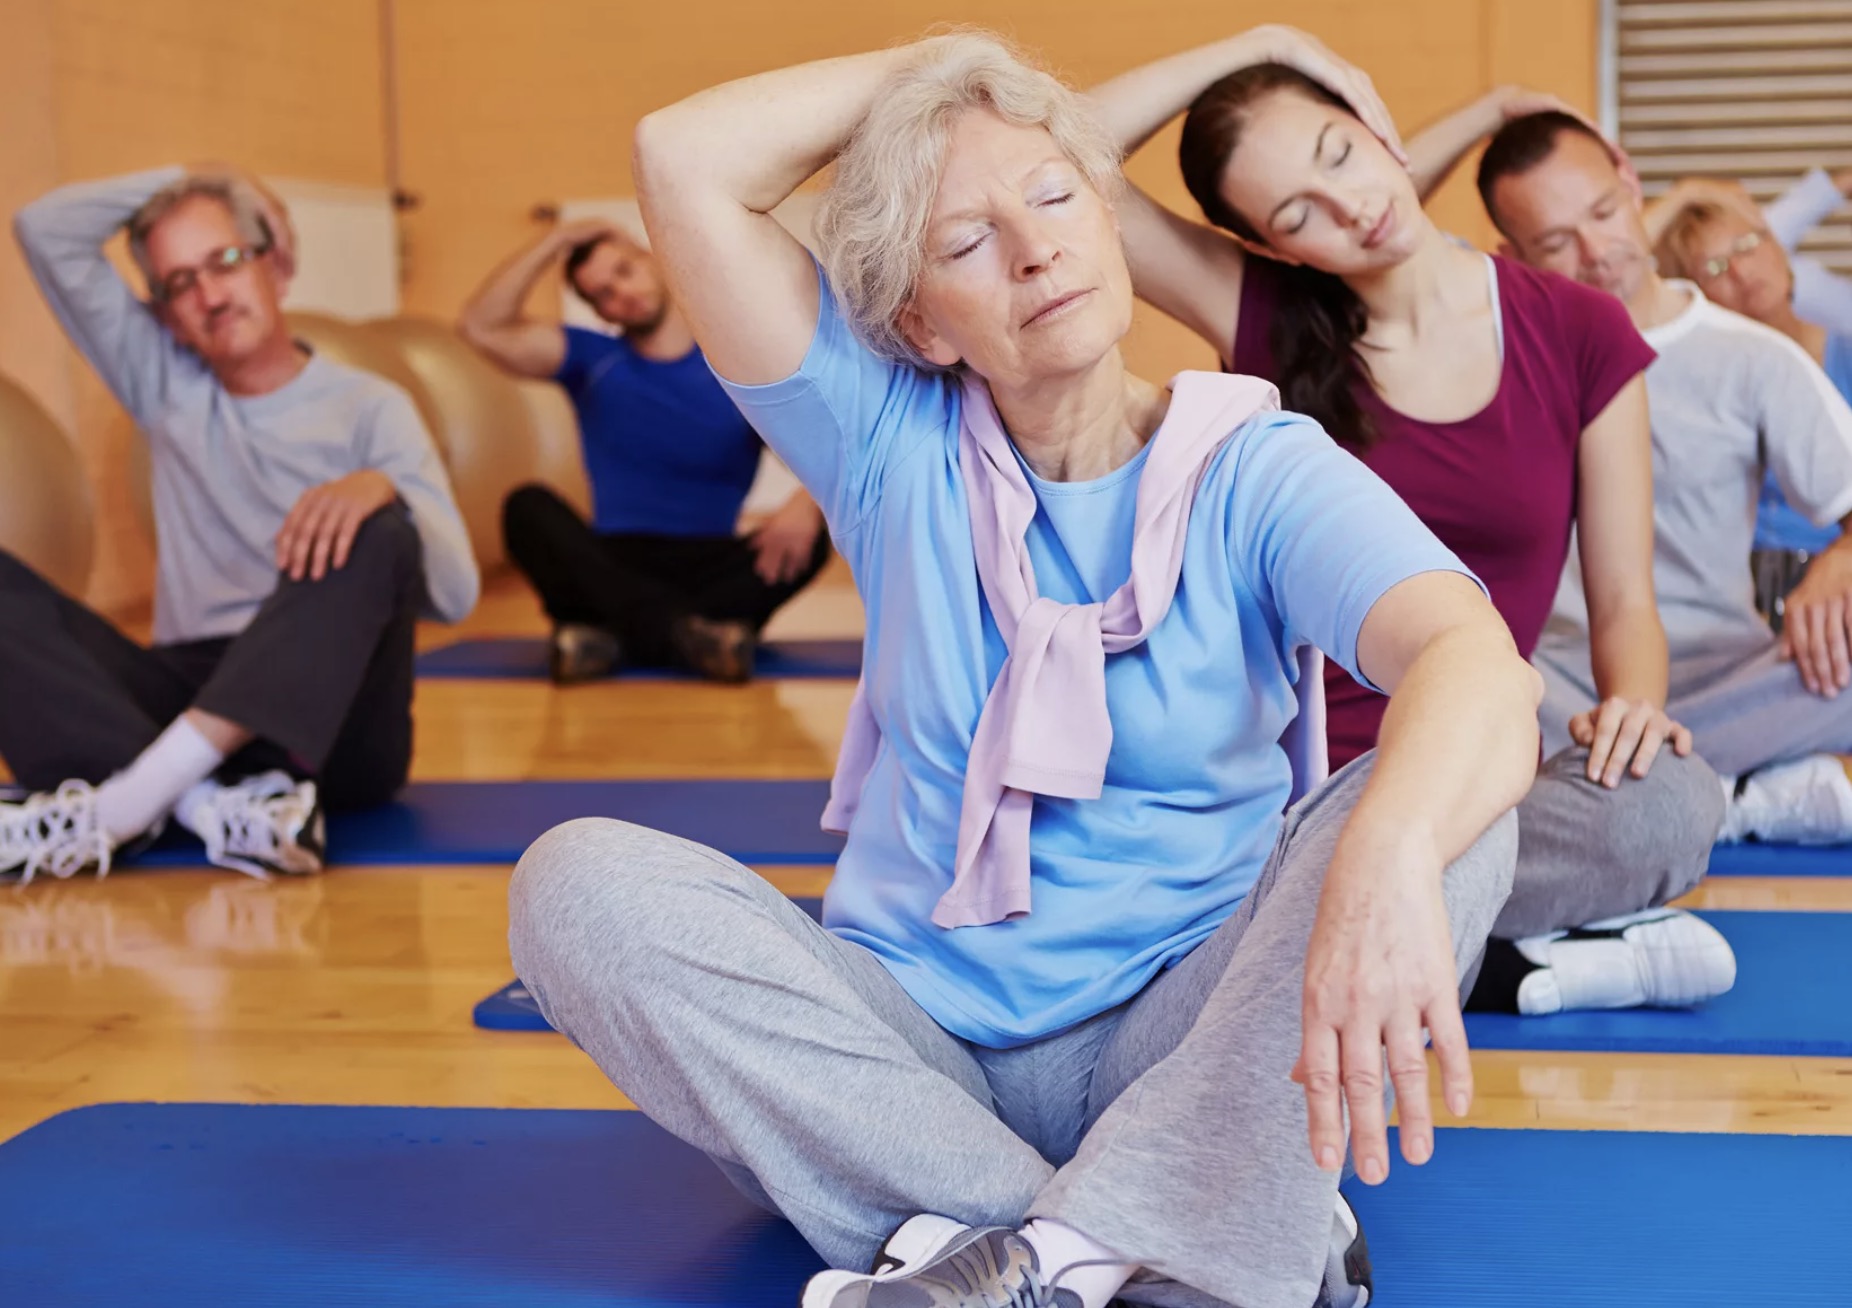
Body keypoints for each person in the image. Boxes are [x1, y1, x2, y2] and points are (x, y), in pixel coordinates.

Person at [510, 30, 1545, 1308]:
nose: (1033, 246)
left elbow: (1473, 661)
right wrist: (956, 55)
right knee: (578, 887)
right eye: (963, 243)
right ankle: (1148, 1241)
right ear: (918, 325)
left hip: (1184, 1042)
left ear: (1108, 224)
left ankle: (1011, 1260)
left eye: (1055, 197)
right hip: (913, 1058)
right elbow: (683, 155)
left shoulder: (1256, 468)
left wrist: (1388, 852)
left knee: (1446, 811)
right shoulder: (881, 438)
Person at [1085, 29, 1730, 1018]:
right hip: (1282, 801)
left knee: (1669, 805)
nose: (1351, 209)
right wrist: (1259, 43)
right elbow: (1063, 156)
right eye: (1300, 211)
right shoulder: (1266, 316)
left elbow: (1621, 599)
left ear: (1372, 122)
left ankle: (1391, 946)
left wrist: (1635, 706)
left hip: (1468, 782)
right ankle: (1502, 968)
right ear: (1271, 243)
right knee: (1180, 881)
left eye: (1340, 154)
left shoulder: (1576, 329)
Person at [1, 165, 478, 883]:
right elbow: (44, 229)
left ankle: (128, 805)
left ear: (276, 263)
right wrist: (205, 177)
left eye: (225, 260)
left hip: (329, 729)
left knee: (385, 529)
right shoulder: (163, 385)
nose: (210, 295)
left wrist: (380, 488)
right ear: (164, 311)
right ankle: (202, 805)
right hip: (188, 694)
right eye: (180, 282)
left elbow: (458, 594)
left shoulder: (370, 407)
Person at [1466, 109, 1852, 846]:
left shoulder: (1753, 358)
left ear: (1631, 183)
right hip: (1562, 691)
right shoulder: (1491, 362)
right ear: (1509, 253)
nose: (1595, 251)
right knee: (1455, 696)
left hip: (1730, 679)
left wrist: (1843, 553)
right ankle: (1726, 797)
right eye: (1554, 242)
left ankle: (1657, 787)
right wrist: (1483, 112)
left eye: (1605, 214)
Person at [458, 216, 830, 683]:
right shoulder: (590, 359)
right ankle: (691, 637)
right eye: (602, 295)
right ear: (601, 313)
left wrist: (806, 503)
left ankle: (606, 636)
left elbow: (829, 455)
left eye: (623, 272)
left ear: (652, 260)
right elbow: (480, 328)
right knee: (526, 508)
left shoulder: (736, 365)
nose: (620, 294)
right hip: (613, 561)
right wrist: (554, 241)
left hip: (708, 565)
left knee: (814, 534)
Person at [1641, 170, 1852, 605]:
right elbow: (1610, 279)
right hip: (1733, 588)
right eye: (1714, 267)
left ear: (1778, 246)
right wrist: (1688, 192)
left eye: (1748, 246)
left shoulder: (1844, 351)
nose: (1741, 270)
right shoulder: (1700, 379)